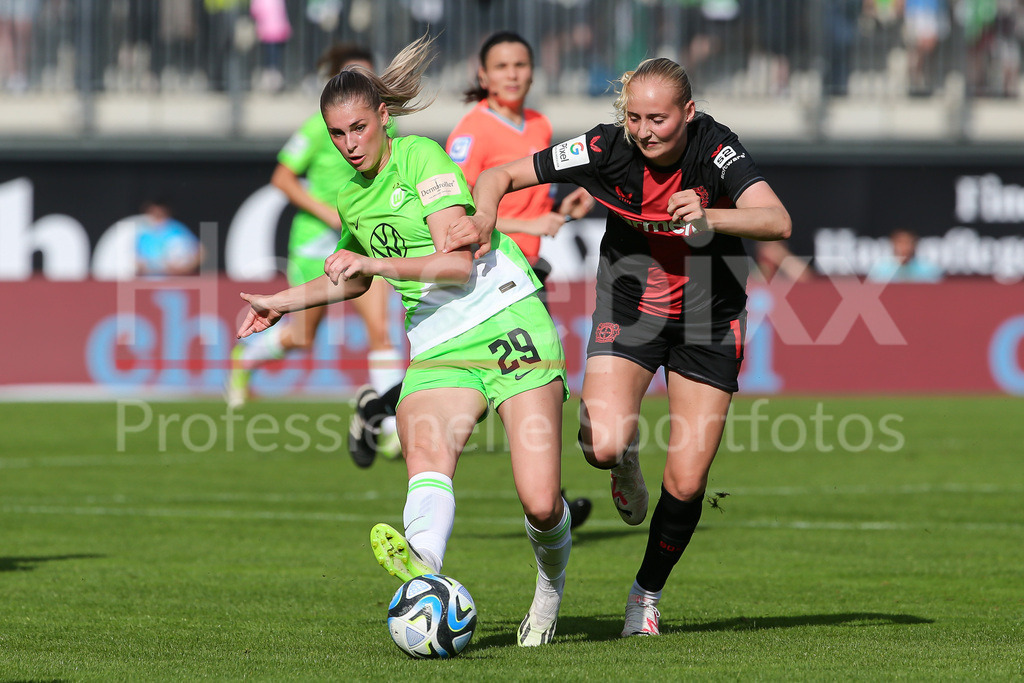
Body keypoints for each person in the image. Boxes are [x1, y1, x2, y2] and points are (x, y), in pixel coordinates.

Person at [235, 34, 573, 647]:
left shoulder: (421, 157)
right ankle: (425, 571)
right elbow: (351, 277)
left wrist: (377, 266)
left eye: (358, 128)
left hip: (505, 318)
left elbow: (456, 265)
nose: (349, 143)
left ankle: (548, 593)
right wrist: (278, 304)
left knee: (542, 501)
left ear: (383, 118)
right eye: (336, 134)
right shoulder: (349, 195)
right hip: (439, 342)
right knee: (426, 454)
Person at [447, 56, 792, 637]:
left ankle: (645, 595)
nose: (645, 131)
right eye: (634, 118)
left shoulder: (716, 148)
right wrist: (484, 216)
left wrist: (712, 216)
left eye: (658, 119)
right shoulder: (603, 148)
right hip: (630, 307)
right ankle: (625, 458)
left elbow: (777, 220)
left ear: (688, 112)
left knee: (686, 483)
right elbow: (499, 176)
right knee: (601, 445)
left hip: (710, 316)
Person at [227, 43, 406, 467]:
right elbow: (282, 178)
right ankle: (247, 357)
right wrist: (329, 213)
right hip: (315, 242)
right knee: (303, 336)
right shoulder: (317, 127)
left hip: (362, 238)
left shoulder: (386, 126)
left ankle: (390, 428)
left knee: (381, 330)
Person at [445, 31, 594, 530]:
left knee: (533, 378)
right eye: (502, 66)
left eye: (520, 65)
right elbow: (456, 212)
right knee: (501, 377)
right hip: (486, 273)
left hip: (525, 273)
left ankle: (553, 497)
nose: (512, 74)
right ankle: (380, 406)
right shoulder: (471, 132)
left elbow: (531, 198)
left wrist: (563, 206)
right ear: (483, 75)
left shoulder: (540, 124)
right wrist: (530, 223)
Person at [135, 198, 204, 277]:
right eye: (153, 213)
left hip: (174, 278)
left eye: (160, 214)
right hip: (147, 278)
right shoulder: (140, 231)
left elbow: (201, 251)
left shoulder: (176, 229)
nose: (156, 216)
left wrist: (186, 268)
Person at [867, 228, 942, 282]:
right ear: (893, 244)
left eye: (908, 243)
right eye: (900, 242)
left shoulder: (928, 269)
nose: (905, 247)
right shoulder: (880, 270)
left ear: (915, 245)